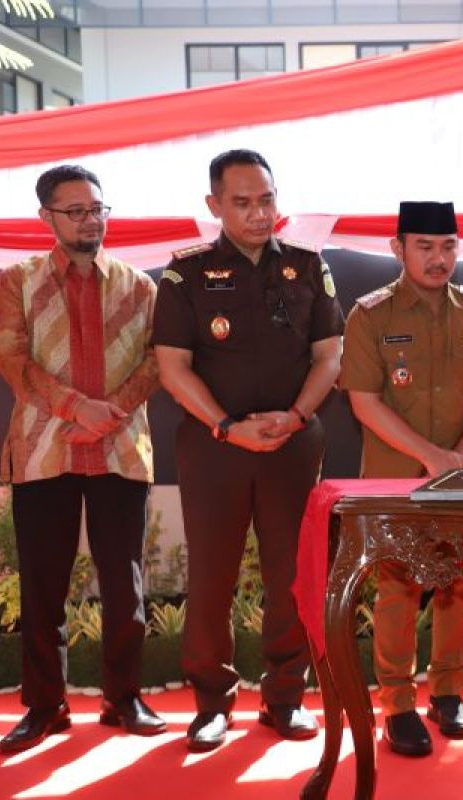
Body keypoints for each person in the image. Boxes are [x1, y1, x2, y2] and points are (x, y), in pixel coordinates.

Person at [152, 149, 344, 752]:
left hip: (292, 442)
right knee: (212, 575)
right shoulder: (184, 275)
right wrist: (226, 425)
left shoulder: (310, 268)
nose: (259, 214)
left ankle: (285, 699)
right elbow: (172, 367)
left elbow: (329, 357)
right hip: (215, 447)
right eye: (242, 203)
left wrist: (296, 415)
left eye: (266, 199)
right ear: (214, 206)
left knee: (293, 575)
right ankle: (212, 703)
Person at [0, 165, 164, 753]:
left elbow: (156, 362)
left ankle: (125, 699)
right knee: (44, 586)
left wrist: (109, 410)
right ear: (45, 217)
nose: (91, 221)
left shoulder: (141, 286)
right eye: (77, 211)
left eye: (98, 209)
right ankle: (45, 707)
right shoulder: (15, 282)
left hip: (119, 449)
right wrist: (75, 408)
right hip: (45, 451)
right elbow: (13, 362)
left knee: (127, 585)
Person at [339, 201, 463, 756]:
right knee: (397, 590)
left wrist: (459, 454)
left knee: (457, 583)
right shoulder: (370, 316)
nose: (440, 260)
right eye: (425, 247)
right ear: (398, 248)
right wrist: (429, 455)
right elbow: (365, 402)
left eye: (449, 247)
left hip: (457, 476)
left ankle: (448, 691)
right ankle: (397, 703)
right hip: (395, 479)